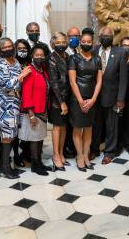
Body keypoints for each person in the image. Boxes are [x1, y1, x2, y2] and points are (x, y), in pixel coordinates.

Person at [92, 27, 128, 165]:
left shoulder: (120, 52)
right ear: (99, 37)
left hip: (112, 97)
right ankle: (94, 149)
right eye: (103, 35)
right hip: (95, 96)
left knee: (111, 126)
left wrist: (120, 99)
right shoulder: (93, 50)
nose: (106, 37)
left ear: (113, 38)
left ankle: (109, 152)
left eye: (109, 35)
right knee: (95, 125)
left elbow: (123, 78)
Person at [68, 31, 103, 171]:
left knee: (89, 128)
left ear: (92, 43)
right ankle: (80, 156)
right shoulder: (74, 58)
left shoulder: (97, 59)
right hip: (78, 98)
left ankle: (86, 155)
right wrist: (81, 100)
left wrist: (93, 99)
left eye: (89, 42)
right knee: (78, 128)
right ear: (80, 42)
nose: (87, 44)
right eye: (84, 41)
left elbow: (99, 81)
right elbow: (72, 81)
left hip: (92, 98)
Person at [0, 38, 27, 179]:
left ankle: (6, 166)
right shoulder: (1, 64)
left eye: (9, 46)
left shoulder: (16, 62)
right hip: (4, 105)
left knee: (12, 136)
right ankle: (5, 169)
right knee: (6, 137)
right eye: (4, 47)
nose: (7, 49)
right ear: (0, 50)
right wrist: (21, 76)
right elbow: (5, 84)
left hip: (14, 103)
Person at [21, 44, 52, 175]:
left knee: (39, 138)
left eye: (42, 55)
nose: (40, 57)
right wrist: (31, 114)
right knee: (34, 139)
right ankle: (35, 164)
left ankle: (39, 162)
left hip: (43, 109)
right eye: (37, 55)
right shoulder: (29, 70)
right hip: (33, 111)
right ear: (32, 56)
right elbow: (26, 93)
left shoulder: (42, 70)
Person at [48, 32, 70, 170]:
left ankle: (61, 153)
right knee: (57, 126)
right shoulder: (51, 58)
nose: (61, 45)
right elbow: (54, 82)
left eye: (63, 42)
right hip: (57, 99)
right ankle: (55, 155)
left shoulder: (67, 56)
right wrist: (61, 102)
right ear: (53, 44)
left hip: (68, 97)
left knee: (64, 126)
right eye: (58, 42)